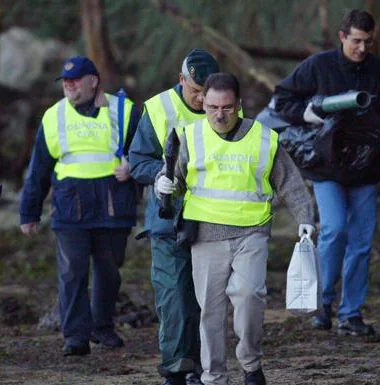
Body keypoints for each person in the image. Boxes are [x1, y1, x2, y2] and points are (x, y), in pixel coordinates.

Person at [156, 73, 314, 385]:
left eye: (226, 107)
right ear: (203, 104)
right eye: (212, 106)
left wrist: (305, 218)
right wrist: (163, 185)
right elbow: (172, 181)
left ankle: (251, 365)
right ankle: (214, 376)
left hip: (251, 231)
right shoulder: (190, 136)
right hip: (205, 236)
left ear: (238, 105)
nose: (219, 114)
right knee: (210, 312)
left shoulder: (264, 138)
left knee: (250, 296)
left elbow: (290, 182)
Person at [273, 9, 380, 335]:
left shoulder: (379, 71)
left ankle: (350, 313)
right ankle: (323, 303)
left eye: (368, 42)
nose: (362, 48)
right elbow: (282, 98)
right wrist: (306, 113)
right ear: (343, 37)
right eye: (356, 41)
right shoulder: (319, 66)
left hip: (366, 168)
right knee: (335, 230)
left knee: (362, 243)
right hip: (327, 167)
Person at [19, 56, 140, 356]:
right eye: (65, 81)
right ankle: (75, 337)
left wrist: (133, 168)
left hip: (113, 204)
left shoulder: (124, 111)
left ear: (93, 81)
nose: (68, 85)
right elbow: (39, 168)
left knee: (109, 271)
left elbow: (147, 153)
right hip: (70, 206)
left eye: (74, 79)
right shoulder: (53, 116)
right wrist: (29, 212)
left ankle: (102, 327)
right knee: (72, 272)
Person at [129, 48, 220, 385]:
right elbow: (137, 160)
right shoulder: (157, 108)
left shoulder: (224, 106)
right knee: (174, 298)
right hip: (167, 220)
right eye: (195, 91)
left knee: (206, 298)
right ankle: (177, 368)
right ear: (181, 80)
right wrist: (157, 174)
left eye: (205, 92)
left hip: (213, 217)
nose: (200, 99)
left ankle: (200, 365)